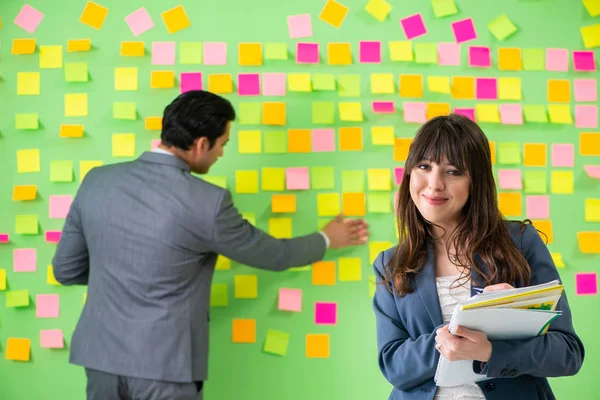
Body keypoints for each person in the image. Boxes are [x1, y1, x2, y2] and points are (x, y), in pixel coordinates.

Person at [52, 90, 369, 400]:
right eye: (222, 145)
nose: (220, 154)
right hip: (166, 367)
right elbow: (275, 254)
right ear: (202, 144)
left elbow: (65, 270)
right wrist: (326, 238)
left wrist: (117, 274)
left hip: (99, 360)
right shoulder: (207, 202)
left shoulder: (97, 180)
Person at [372, 114, 584, 400]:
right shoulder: (391, 263)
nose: (434, 184)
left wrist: (491, 350)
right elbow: (394, 365)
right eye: (424, 166)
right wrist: (448, 338)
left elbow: (567, 353)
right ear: (409, 173)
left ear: (476, 181)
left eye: (453, 171)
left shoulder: (520, 244)